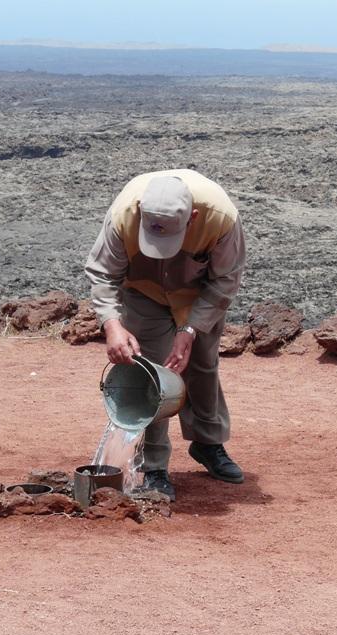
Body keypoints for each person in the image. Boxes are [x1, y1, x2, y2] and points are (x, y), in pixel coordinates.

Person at [85, 168, 246, 501]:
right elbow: (102, 274)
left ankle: (208, 444)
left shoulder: (221, 218)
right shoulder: (123, 215)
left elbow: (226, 279)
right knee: (151, 372)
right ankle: (154, 466)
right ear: (141, 211)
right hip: (143, 291)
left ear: (193, 217)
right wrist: (112, 325)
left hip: (199, 294)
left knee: (202, 366)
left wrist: (191, 328)